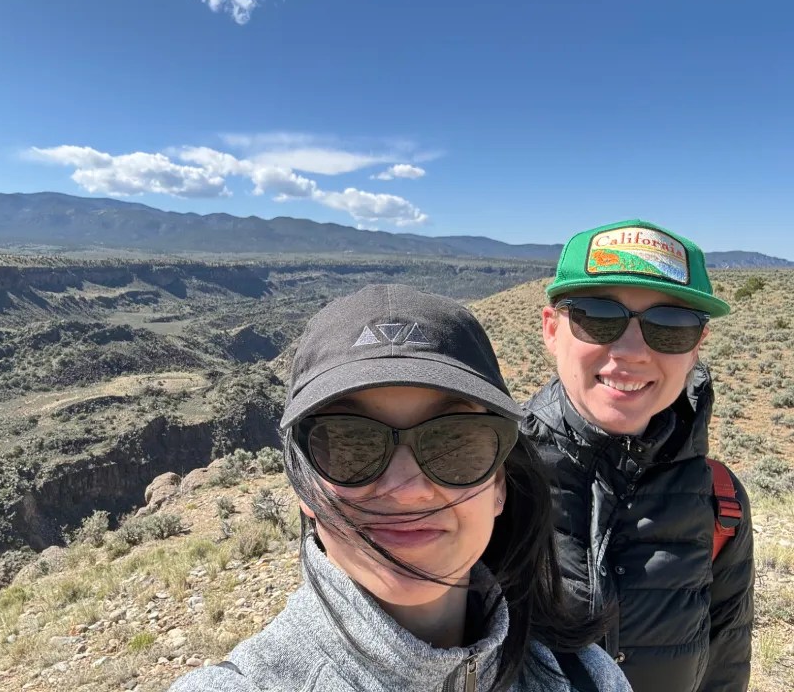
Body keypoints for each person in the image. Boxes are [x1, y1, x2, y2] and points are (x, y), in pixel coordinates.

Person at [171, 284, 631, 692]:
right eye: (350, 444)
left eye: (455, 443)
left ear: (500, 484)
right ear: (303, 485)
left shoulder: (587, 676)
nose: (406, 489)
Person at [522, 219, 754, 692]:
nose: (631, 351)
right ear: (551, 330)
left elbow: (724, 671)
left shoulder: (720, 501)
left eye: (670, 327)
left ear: (696, 348)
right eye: (597, 316)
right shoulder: (487, 472)